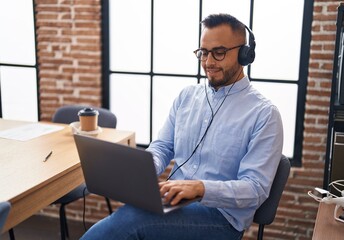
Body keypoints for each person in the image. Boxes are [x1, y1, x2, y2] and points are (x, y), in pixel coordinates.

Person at [80, 13, 283, 240]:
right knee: (129, 217)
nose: (208, 62)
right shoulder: (187, 97)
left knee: (130, 221)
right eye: (203, 53)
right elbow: (163, 146)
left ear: (245, 54)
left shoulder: (264, 114)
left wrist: (200, 188)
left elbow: (255, 189)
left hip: (221, 219)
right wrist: (144, 173)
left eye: (219, 52)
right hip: (175, 203)